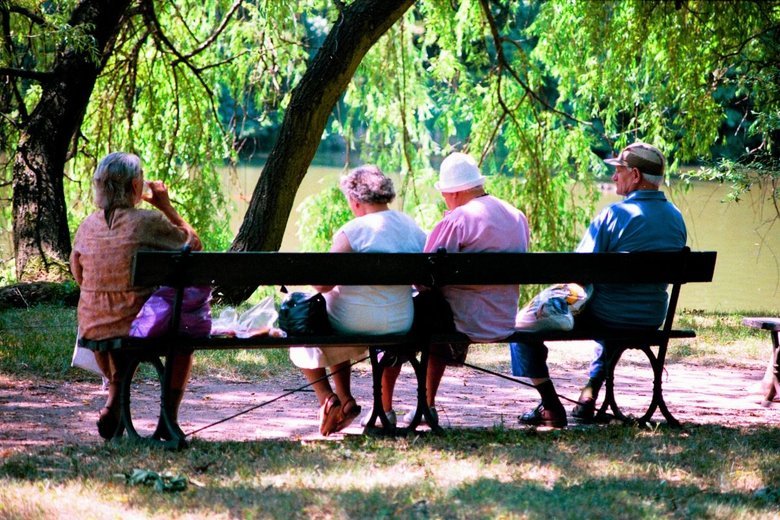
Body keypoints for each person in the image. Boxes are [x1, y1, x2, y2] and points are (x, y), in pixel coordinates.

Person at [510, 142, 687, 427]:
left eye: (619, 171)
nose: (614, 177)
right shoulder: (676, 218)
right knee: (612, 304)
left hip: (609, 316)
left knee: (523, 326)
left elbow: (579, 272)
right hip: (652, 317)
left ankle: (550, 404)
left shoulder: (613, 216)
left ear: (636, 175)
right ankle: (590, 390)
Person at [375, 152, 530, 426]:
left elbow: (423, 278)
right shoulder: (517, 216)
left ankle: (385, 409)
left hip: (460, 322)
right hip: (503, 320)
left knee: (396, 312)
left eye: (445, 194)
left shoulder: (458, 219)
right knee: (436, 310)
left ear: (455, 192)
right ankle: (427, 404)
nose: (445, 201)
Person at [70, 152, 202, 440]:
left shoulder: (86, 227)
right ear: (134, 188)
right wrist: (167, 207)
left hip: (93, 327)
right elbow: (194, 245)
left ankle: (114, 398)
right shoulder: (148, 222)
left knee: (116, 326)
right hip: (138, 327)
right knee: (183, 340)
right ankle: (168, 419)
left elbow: (78, 275)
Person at [289, 165, 426, 436]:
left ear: (355, 201)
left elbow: (322, 283)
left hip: (353, 325)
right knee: (334, 301)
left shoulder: (352, 231)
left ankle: (329, 398)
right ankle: (344, 399)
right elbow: (423, 284)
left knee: (307, 316)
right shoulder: (412, 227)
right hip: (401, 323)